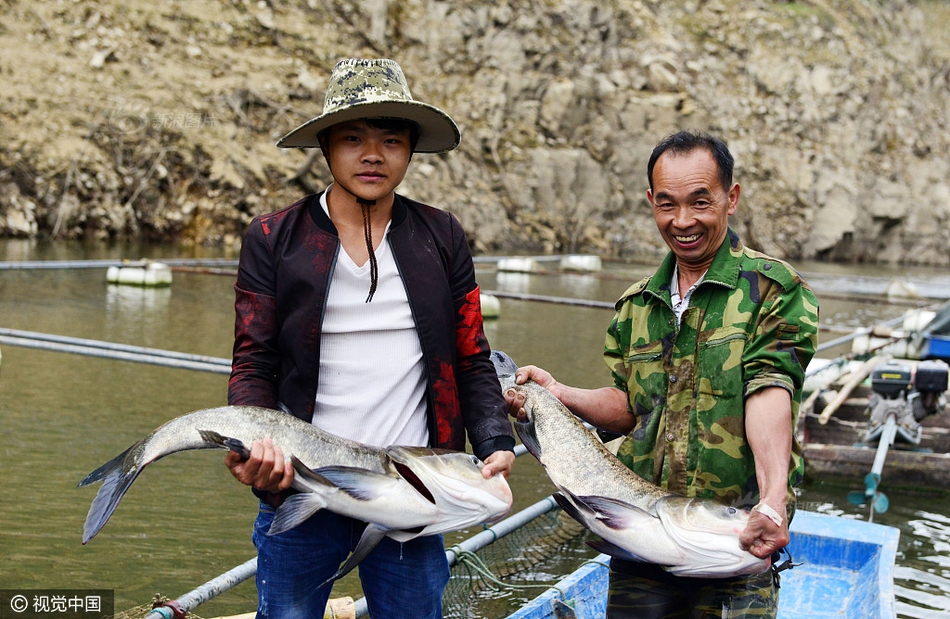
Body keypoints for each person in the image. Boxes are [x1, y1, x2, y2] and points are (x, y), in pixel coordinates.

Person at [225, 58, 516, 619]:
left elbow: (471, 356)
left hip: (413, 491)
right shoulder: (273, 237)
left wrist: (493, 439)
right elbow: (253, 362)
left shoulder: (441, 235)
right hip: (305, 483)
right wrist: (253, 444)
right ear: (326, 146)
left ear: (411, 149)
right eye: (353, 138)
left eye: (391, 140)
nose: (373, 154)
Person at [505, 130, 818, 618]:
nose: (683, 221)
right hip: (640, 537)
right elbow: (630, 408)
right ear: (651, 201)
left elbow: (769, 390)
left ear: (731, 198)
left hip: (735, 539)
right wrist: (559, 393)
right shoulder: (636, 305)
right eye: (667, 204)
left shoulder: (774, 290)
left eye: (700, 202)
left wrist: (773, 501)